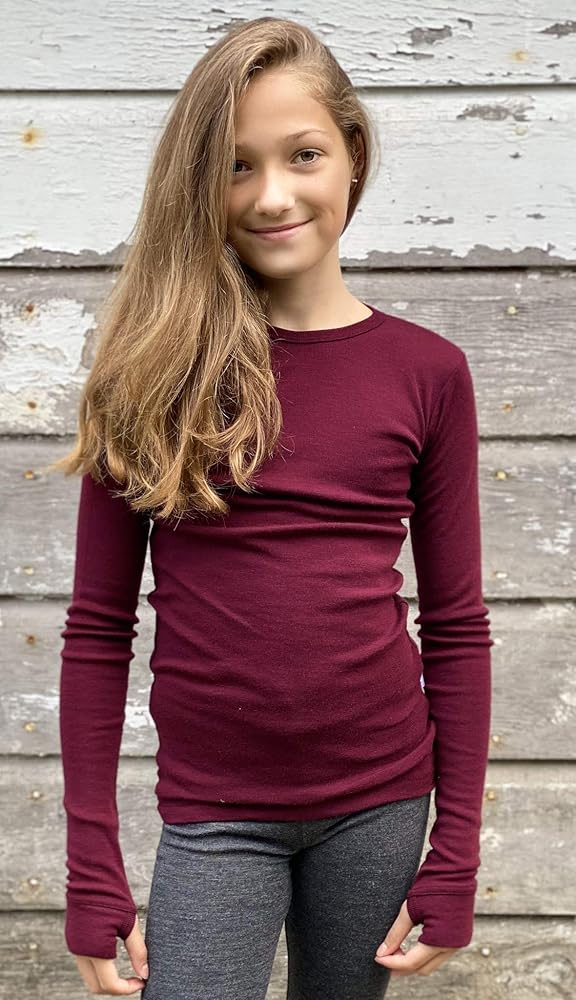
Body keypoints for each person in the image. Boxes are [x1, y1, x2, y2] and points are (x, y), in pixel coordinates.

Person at [55, 15, 493, 999]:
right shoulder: (149, 376)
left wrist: (456, 854)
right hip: (216, 816)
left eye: (303, 155)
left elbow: (458, 627)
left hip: (382, 802)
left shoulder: (428, 373)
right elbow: (96, 631)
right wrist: (91, 866)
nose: (273, 194)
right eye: (236, 166)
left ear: (353, 155)